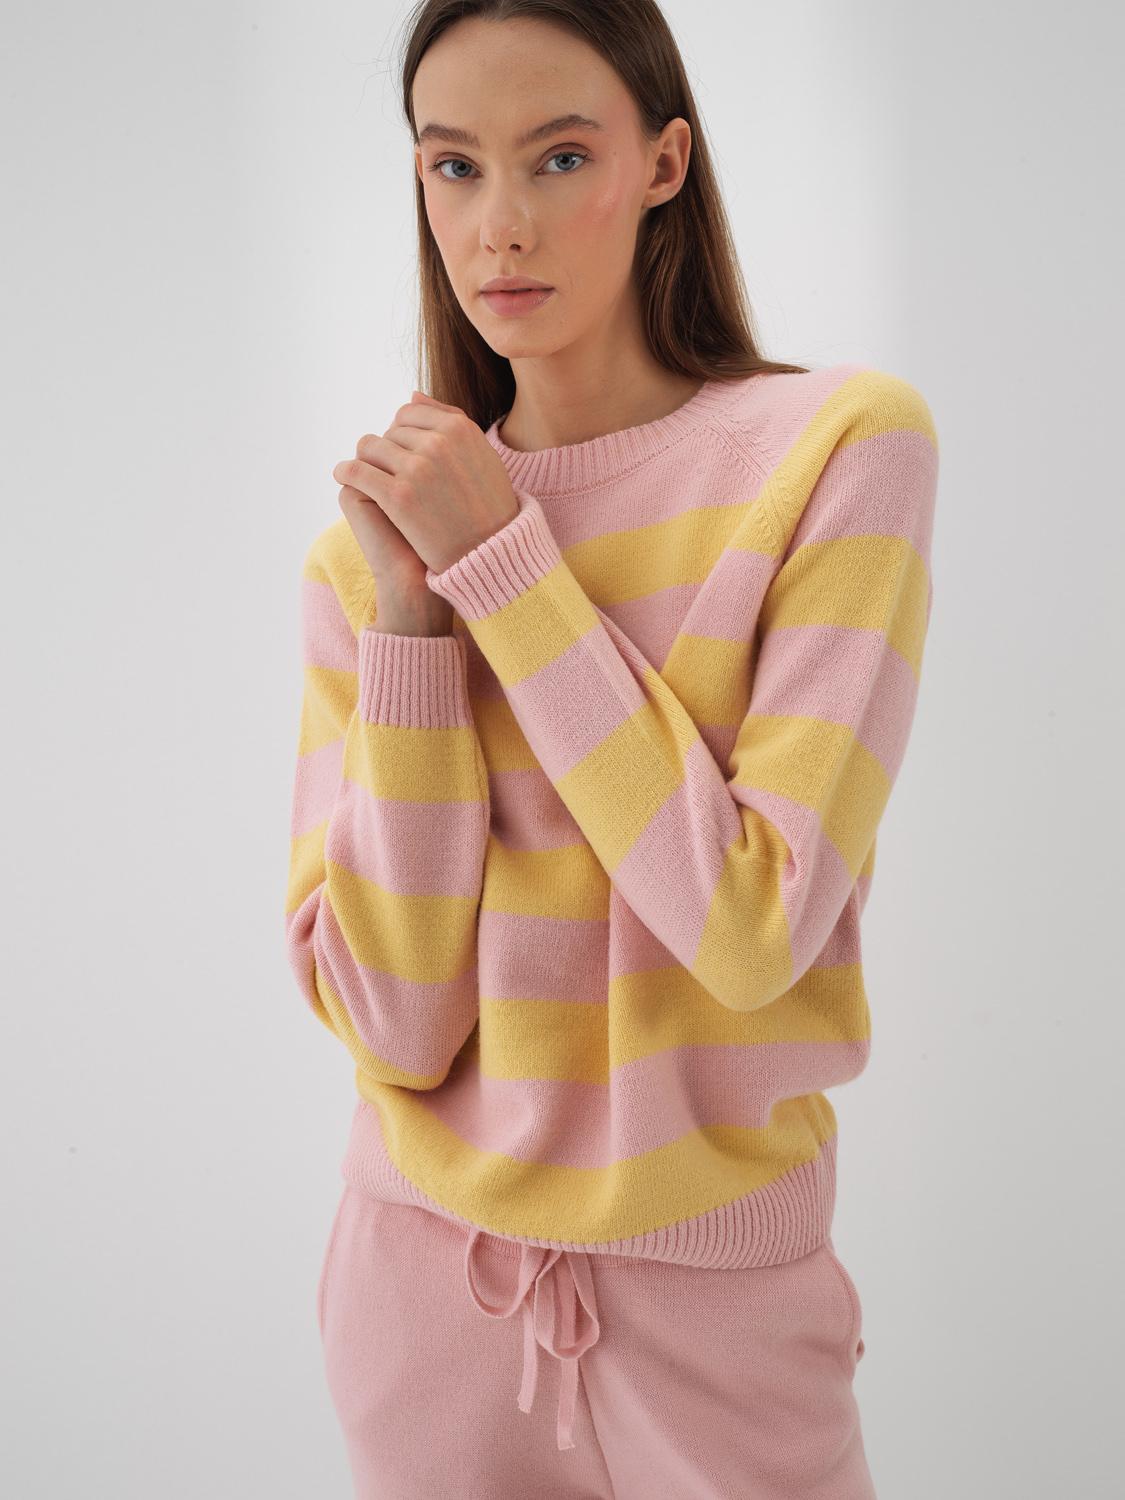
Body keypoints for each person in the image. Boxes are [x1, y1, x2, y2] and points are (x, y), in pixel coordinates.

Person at [284, 1, 938, 1495]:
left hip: (719, 1315)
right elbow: (395, 1027)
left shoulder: (834, 453)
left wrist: (505, 569)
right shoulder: (366, 561)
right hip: (421, 1295)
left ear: (663, 163)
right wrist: (414, 623)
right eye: (454, 166)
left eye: (560, 156)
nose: (499, 224)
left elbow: (750, 929)